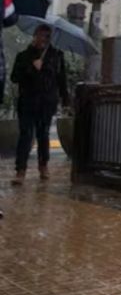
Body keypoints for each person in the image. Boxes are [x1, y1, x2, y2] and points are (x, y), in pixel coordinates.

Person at [10, 25, 69, 185]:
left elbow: (61, 79)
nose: (43, 40)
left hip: (47, 102)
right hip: (27, 102)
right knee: (26, 135)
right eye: (40, 36)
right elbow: (14, 77)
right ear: (35, 36)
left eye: (47, 37)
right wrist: (31, 68)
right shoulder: (23, 56)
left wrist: (66, 100)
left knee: (43, 135)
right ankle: (20, 170)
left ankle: (43, 166)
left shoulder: (56, 56)